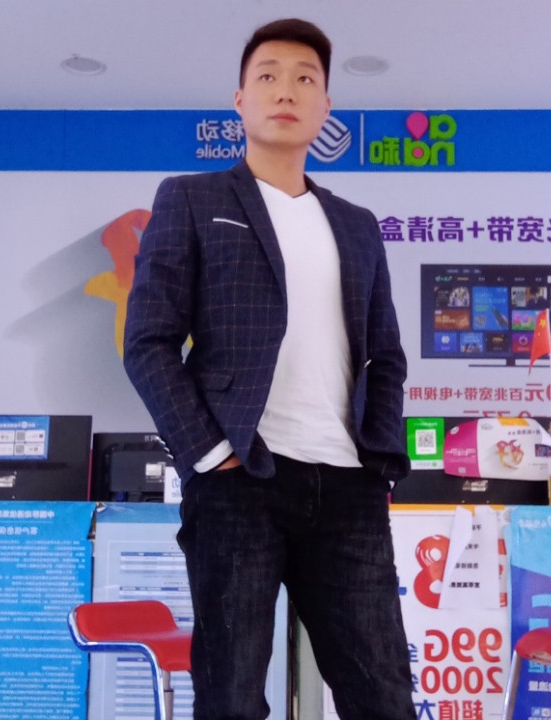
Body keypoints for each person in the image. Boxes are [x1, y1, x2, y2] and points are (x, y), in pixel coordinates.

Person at [123, 18, 416, 720]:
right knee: (230, 699)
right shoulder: (192, 198)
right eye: (268, 76)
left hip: (346, 487)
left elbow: (386, 354)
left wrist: (376, 457)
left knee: (383, 698)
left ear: (325, 106)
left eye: (305, 79)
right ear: (240, 100)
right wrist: (210, 454)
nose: (286, 90)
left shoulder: (357, 223)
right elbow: (148, 341)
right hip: (239, 482)